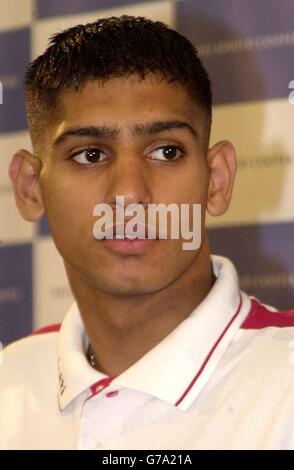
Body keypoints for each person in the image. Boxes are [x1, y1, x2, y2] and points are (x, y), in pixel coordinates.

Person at [1, 15, 294, 450]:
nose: (128, 193)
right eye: (89, 154)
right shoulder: (11, 379)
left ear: (217, 179)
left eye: (166, 151)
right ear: (29, 188)